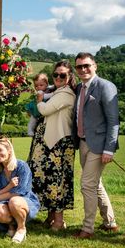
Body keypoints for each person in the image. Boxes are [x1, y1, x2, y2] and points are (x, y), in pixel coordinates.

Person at [72, 52, 119, 239]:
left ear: (95, 66)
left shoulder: (106, 86)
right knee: (95, 184)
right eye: (79, 67)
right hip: (83, 143)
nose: (83, 69)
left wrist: (109, 148)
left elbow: (113, 120)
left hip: (99, 146)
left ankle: (87, 229)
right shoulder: (79, 88)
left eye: (86, 65)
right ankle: (110, 222)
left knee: (87, 185)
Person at [28, 61, 76, 231]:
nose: (58, 78)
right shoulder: (57, 92)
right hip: (49, 143)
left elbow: (45, 110)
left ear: (70, 77)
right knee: (47, 180)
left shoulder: (66, 93)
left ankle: (58, 221)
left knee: (57, 182)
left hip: (58, 145)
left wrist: (39, 100)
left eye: (62, 75)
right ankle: (50, 217)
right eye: (56, 74)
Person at [0, 137, 40, 244]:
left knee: (14, 201)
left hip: (24, 200)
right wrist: (10, 186)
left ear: (9, 150)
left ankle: (21, 228)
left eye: (0, 150)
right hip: (5, 200)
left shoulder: (21, 166)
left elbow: (19, 192)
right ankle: (11, 226)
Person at [25, 73, 55, 137]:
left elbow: (52, 86)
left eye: (41, 85)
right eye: (36, 86)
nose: (38, 87)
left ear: (46, 84)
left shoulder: (48, 89)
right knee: (32, 120)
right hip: (36, 110)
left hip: (43, 111)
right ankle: (30, 130)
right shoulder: (40, 92)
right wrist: (54, 93)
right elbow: (45, 96)